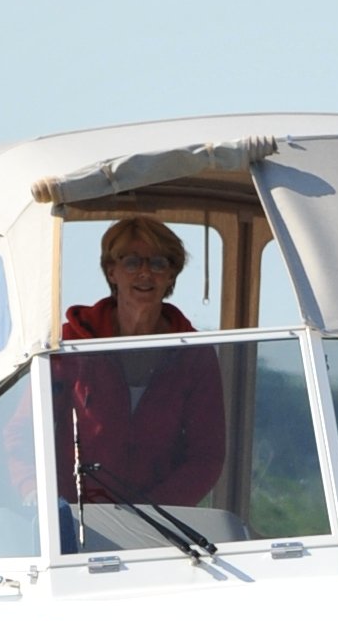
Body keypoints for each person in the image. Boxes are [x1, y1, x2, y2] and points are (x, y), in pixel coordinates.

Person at [47, 214, 227, 519]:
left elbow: (206, 456)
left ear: (171, 275)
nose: (145, 273)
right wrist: (45, 500)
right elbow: (23, 432)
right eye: (132, 262)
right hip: (72, 519)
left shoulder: (194, 354)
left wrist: (150, 515)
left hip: (162, 527)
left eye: (158, 263)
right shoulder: (69, 342)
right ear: (112, 271)